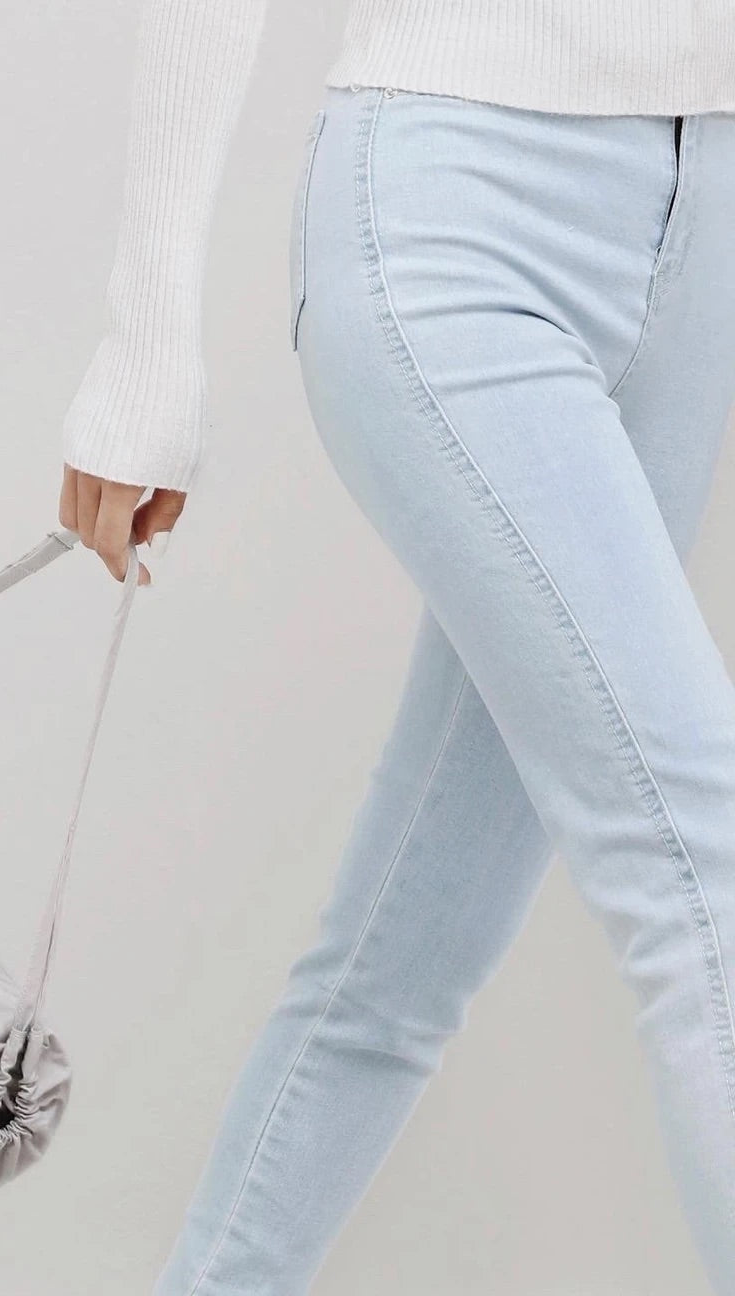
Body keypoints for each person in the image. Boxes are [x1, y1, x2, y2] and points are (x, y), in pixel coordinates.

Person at [55, 2, 735, 1292]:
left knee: (406, 951)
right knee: (706, 868)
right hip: (456, 206)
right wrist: (146, 345)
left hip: (705, 216)